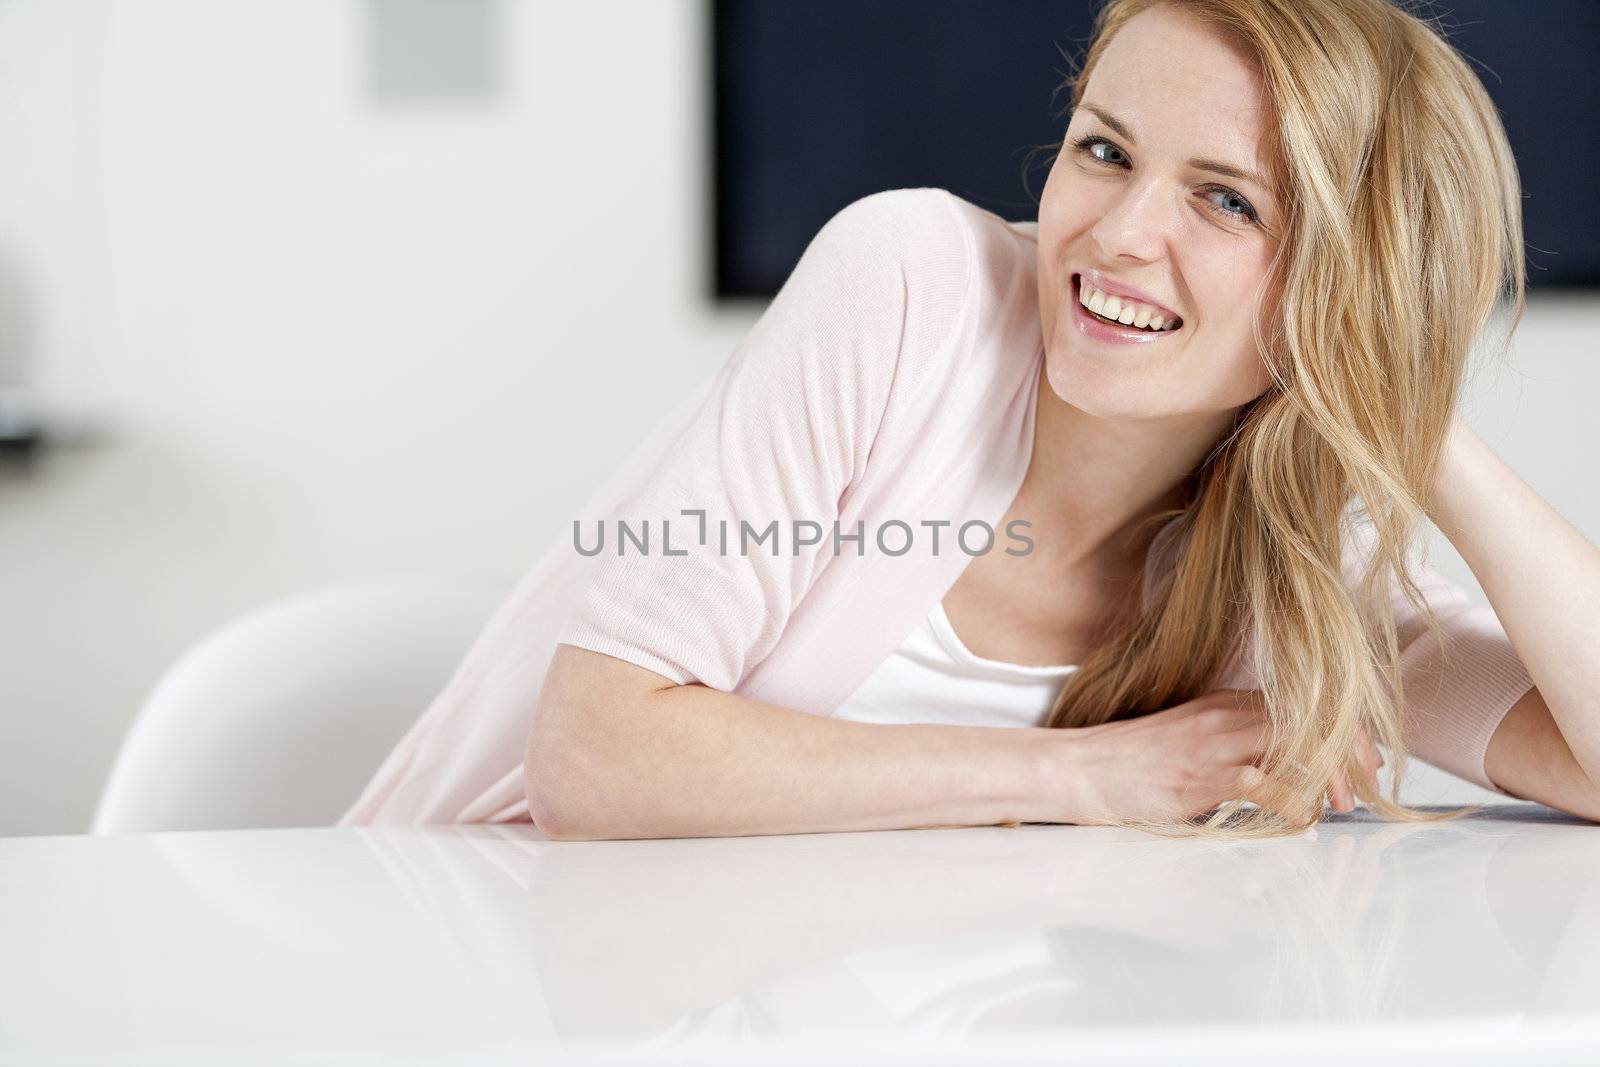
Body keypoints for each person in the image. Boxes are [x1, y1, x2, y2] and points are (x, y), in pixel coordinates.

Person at [341, 0, 1600, 840]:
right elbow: (597, 753)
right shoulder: (914, 288)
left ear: (1349, 282)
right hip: (502, 963)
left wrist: (1407, 409)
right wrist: (1081, 778)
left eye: (1224, 201)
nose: (1115, 234)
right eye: (1104, 151)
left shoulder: (1294, 573)